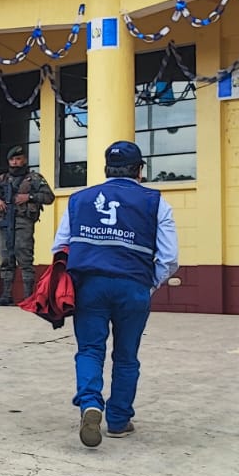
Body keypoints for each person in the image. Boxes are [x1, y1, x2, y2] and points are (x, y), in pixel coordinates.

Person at [51, 140, 178, 448]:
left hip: (89, 286)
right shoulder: (156, 202)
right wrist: (148, 284)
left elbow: (59, 247)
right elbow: (169, 258)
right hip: (133, 287)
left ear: (106, 169)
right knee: (126, 356)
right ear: (140, 171)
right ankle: (119, 422)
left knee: (90, 350)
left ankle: (90, 404)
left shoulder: (79, 199)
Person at [0, 145, 55, 305]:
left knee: (24, 257)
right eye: (12, 159)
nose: (15, 162)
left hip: (23, 221)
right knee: (6, 257)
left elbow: (49, 197)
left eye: (18, 159)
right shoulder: (2, 179)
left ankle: (28, 297)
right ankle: (6, 296)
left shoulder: (34, 178)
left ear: (24, 160)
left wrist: (30, 197)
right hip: (6, 222)